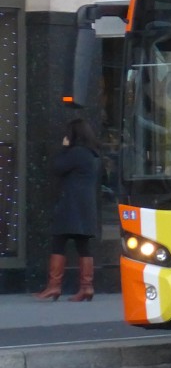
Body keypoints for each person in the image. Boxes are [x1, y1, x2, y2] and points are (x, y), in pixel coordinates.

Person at [33, 117, 102, 302]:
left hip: (70, 205)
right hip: (85, 207)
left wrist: (64, 148)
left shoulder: (76, 152)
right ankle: (87, 287)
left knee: (59, 241)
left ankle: (54, 286)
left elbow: (57, 167)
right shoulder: (92, 154)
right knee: (83, 245)